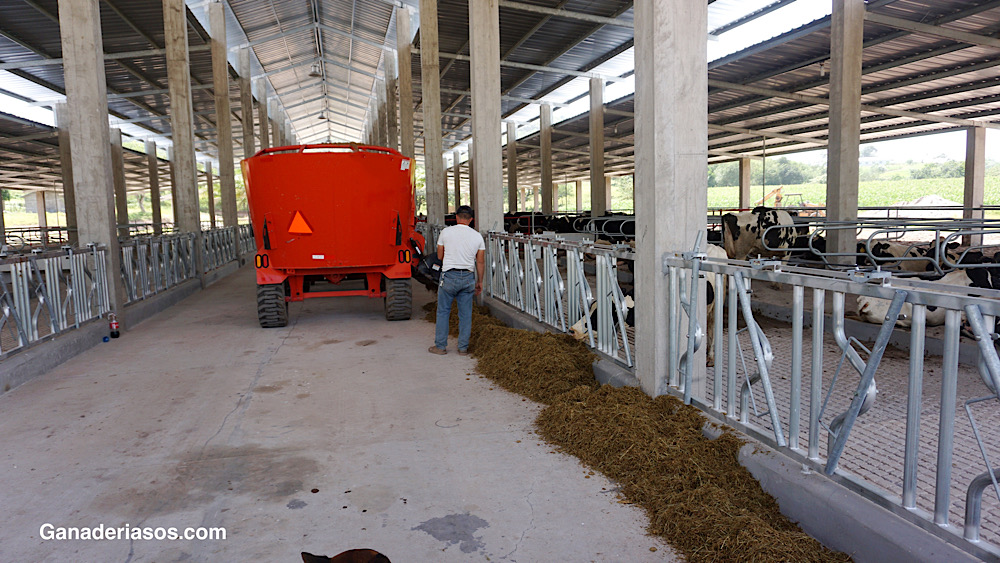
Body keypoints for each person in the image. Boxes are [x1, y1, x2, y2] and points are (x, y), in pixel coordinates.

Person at [429, 205, 485, 356]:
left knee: (443, 312)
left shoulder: (446, 232)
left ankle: (440, 347)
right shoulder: (477, 236)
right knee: (465, 314)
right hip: (467, 277)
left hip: (449, 276)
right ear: (471, 219)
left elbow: (440, 256)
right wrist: (480, 281)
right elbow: (480, 262)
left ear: (456, 217)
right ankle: (463, 348)